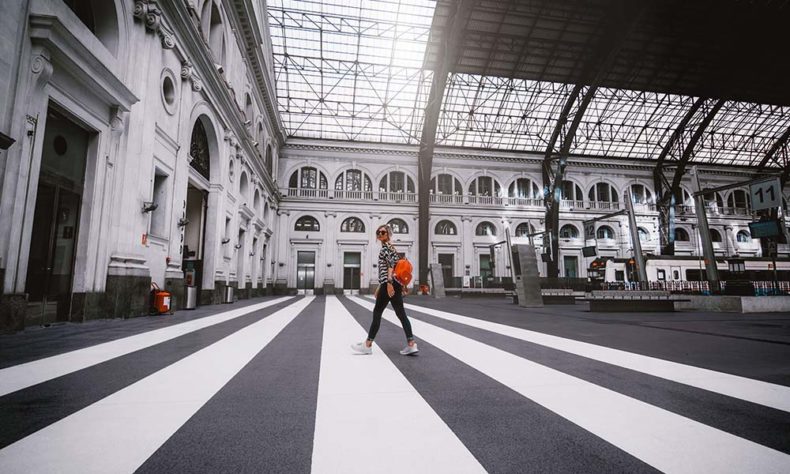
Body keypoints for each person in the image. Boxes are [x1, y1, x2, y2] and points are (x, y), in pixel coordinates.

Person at [351, 224, 418, 356]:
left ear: (388, 234)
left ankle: (368, 345)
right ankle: (411, 344)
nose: (380, 234)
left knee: (377, 313)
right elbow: (396, 268)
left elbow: (390, 267)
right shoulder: (392, 248)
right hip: (393, 285)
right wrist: (383, 286)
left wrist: (387, 283)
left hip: (390, 284)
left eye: (383, 232)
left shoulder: (385, 249)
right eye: (378, 232)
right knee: (401, 314)